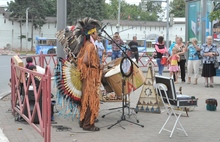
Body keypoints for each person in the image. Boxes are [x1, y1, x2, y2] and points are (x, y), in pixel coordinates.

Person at [76, 18, 102, 131]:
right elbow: (86, 60)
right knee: (91, 99)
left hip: (86, 76)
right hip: (90, 76)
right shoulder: (91, 46)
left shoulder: (84, 44)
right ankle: (88, 125)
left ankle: (83, 122)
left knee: (85, 99)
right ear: (92, 33)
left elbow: (79, 58)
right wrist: (96, 66)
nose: (97, 34)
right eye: (96, 33)